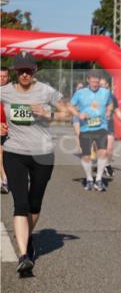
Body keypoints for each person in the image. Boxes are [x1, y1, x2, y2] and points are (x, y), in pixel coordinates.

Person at [1, 53, 72, 276]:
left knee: (34, 203)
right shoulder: (5, 91)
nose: (24, 74)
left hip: (43, 155)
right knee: (20, 204)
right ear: (15, 72)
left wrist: (49, 112)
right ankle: (24, 255)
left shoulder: (46, 91)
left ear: (34, 71)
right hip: (14, 153)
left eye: (28, 70)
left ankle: (26, 236)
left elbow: (68, 113)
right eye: (21, 71)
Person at [68, 71, 114, 192]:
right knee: (86, 156)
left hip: (101, 127)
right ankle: (89, 179)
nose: (95, 84)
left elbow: (110, 104)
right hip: (86, 128)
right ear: (88, 80)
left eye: (97, 82)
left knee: (103, 152)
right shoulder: (80, 93)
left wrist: (109, 111)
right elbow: (70, 106)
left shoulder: (105, 92)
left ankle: (98, 180)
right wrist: (78, 114)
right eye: (93, 82)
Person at [99, 77, 118, 178]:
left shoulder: (112, 97)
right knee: (102, 149)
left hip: (109, 125)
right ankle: (102, 165)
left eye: (103, 84)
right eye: (100, 85)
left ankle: (107, 164)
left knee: (109, 148)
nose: (102, 86)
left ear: (107, 85)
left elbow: (117, 110)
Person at [1, 67, 9, 194]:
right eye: (0, 76)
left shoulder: (13, 92)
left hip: (9, 128)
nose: (2, 79)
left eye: (4, 76)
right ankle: (5, 180)